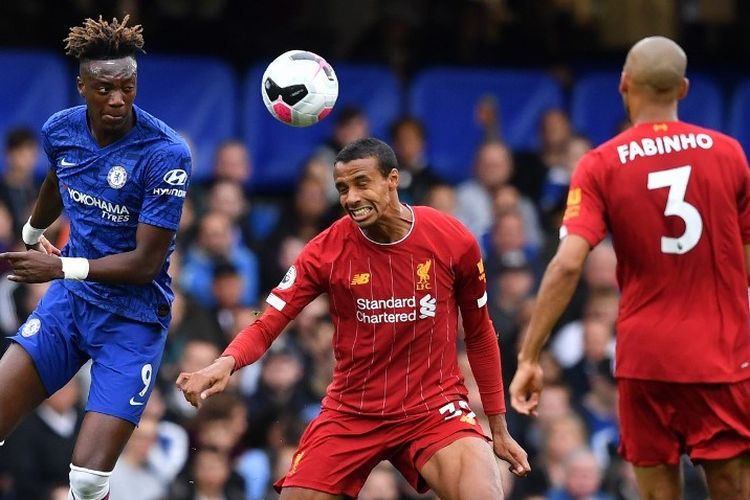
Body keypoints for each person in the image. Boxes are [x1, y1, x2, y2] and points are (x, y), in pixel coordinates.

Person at [178, 137, 530, 499]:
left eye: (362, 183)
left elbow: (480, 333)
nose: (351, 198)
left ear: (392, 179)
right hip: (353, 411)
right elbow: (269, 320)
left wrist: (498, 427)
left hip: (433, 407)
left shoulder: (452, 239)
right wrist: (226, 362)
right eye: (342, 188)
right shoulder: (325, 251)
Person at [509, 36, 750, 499]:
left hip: (646, 358)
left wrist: (529, 356)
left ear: (624, 84)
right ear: (683, 89)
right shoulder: (728, 154)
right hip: (721, 353)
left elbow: (566, 265)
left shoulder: (601, 164)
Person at [0, 15, 191, 500]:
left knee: (85, 482)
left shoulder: (165, 153)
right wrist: (31, 232)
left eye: (127, 87)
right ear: (82, 86)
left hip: (132, 319)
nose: (117, 99)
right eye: (104, 88)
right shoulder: (61, 130)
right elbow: (55, 178)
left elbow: (146, 263)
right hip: (70, 304)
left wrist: (58, 266)